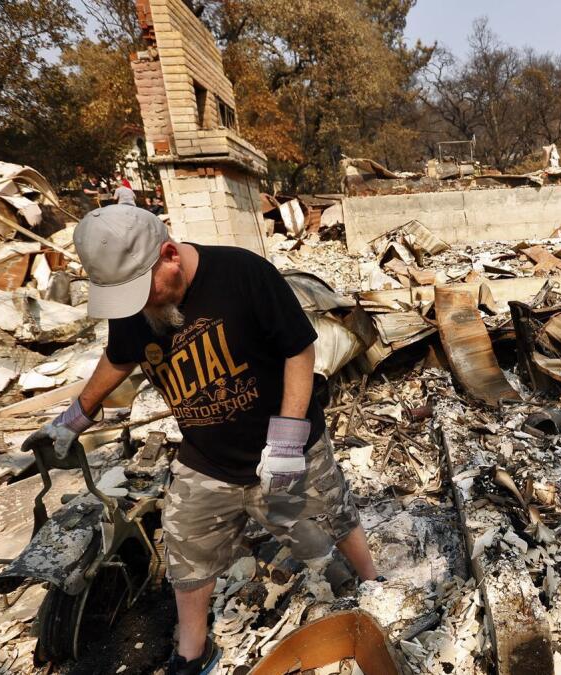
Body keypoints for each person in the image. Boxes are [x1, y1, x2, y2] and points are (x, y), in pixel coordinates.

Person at [24, 204, 379, 674]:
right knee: (186, 547)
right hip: (207, 456)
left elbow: (298, 348)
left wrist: (288, 442)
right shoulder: (137, 300)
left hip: (286, 442)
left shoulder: (243, 273)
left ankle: (376, 585)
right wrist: (75, 417)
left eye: (143, 292)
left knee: (332, 512)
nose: (139, 307)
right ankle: (193, 653)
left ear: (168, 254)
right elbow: (120, 355)